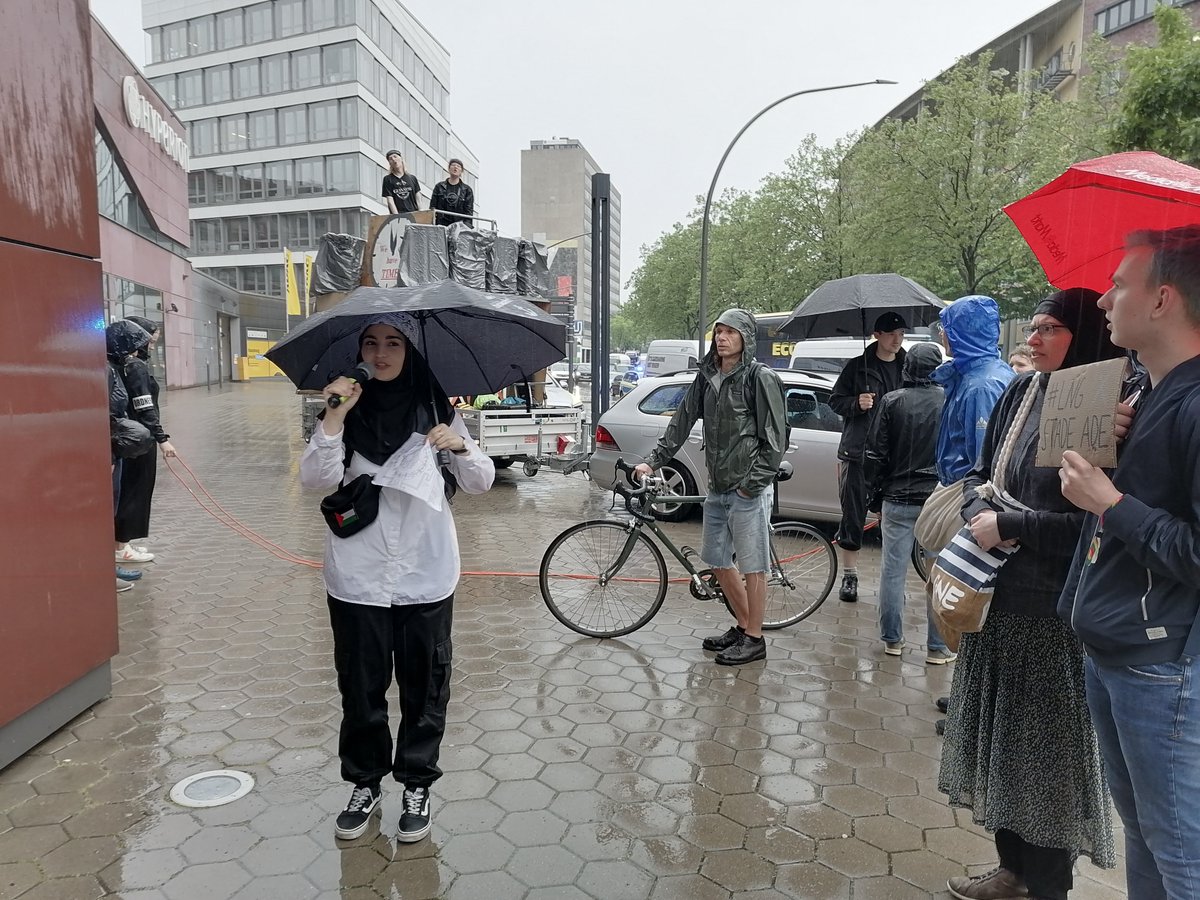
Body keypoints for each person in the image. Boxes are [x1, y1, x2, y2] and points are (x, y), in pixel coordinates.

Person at [939, 288, 1121, 900]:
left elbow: (1096, 522)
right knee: (1003, 750)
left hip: (1050, 615)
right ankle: (1011, 871)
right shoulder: (1021, 391)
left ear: (1082, 337)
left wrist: (1011, 525)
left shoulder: (1101, 406)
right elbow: (979, 475)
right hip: (997, 602)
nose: (1034, 339)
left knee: (1044, 766)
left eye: (1050, 329)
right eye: (1034, 327)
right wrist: (975, 511)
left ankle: (1048, 886)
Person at [300, 316, 494, 843]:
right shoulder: (343, 410)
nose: (381, 354)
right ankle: (364, 782)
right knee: (360, 688)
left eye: (393, 344)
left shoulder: (439, 408)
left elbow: (480, 483)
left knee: (425, 686)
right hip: (357, 575)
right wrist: (335, 416)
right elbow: (314, 479)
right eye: (371, 343)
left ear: (411, 353)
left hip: (426, 573)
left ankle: (416, 783)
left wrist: (459, 446)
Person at [1058, 225, 1200, 900]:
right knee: (1144, 833)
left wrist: (1109, 501)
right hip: (1118, 648)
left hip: (1161, 667)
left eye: (1120, 283)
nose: (1105, 298)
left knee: (1182, 856)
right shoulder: (1149, 393)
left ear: (1163, 299)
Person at [634, 309, 787, 666]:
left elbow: (775, 439)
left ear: (746, 338)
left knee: (754, 567)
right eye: (718, 331)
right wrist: (653, 461)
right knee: (718, 561)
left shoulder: (758, 378)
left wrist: (752, 485)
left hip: (748, 487)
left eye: (730, 332)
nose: (721, 337)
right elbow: (682, 420)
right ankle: (743, 624)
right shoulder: (707, 377)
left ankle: (755, 639)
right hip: (717, 486)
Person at [928, 296, 1016, 722]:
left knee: (967, 602)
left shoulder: (981, 384)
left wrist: (970, 506)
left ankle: (971, 708)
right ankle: (966, 694)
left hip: (971, 504)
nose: (940, 333)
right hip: (968, 499)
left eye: (946, 325)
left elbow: (985, 460)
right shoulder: (973, 376)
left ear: (961, 331)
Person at [863, 343, 954, 663]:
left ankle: (892, 639)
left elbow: (874, 455)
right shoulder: (948, 401)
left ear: (908, 368)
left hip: (897, 498)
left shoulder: (892, 401)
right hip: (937, 501)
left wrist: (874, 496)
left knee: (892, 571)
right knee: (939, 573)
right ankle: (938, 646)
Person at [829, 311, 908, 602]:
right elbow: (834, 401)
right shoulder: (857, 367)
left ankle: (892, 577)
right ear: (877, 335)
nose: (897, 339)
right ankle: (849, 577)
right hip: (859, 451)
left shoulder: (907, 366)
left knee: (893, 513)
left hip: (895, 452)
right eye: (891, 334)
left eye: (901, 334)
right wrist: (856, 403)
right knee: (853, 514)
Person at [115, 316, 176, 565]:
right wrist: (162, 439)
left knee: (126, 490)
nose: (152, 344)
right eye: (150, 339)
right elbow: (145, 406)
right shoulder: (135, 367)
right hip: (139, 438)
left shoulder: (120, 364)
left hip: (128, 436)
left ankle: (121, 545)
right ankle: (122, 547)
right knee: (135, 491)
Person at [105, 320, 151, 590]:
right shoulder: (108, 369)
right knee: (109, 507)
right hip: (111, 447)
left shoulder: (114, 368)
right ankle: (107, 570)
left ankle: (110, 567)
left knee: (114, 503)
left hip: (115, 446)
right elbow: (107, 412)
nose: (138, 351)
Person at [430, 158, 474, 228]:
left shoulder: (467, 190)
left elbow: (469, 212)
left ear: (461, 171)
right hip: (441, 225)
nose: (455, 167)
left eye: (458, 166)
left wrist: (465, 228)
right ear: (449, 168)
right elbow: (432, 207)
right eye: (453, 165)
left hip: (459, 226)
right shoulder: (439, 187)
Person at [382, 150, 420, 215]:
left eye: (395, 156)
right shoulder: (388, 179)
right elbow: (390, 200)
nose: (393, 159)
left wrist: (420, 213)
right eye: (390, 159)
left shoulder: (412, 178)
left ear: (401, 158)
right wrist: (397, 216)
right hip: (399, 215)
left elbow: (418, 198)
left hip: (414, 214)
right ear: (389, 163)